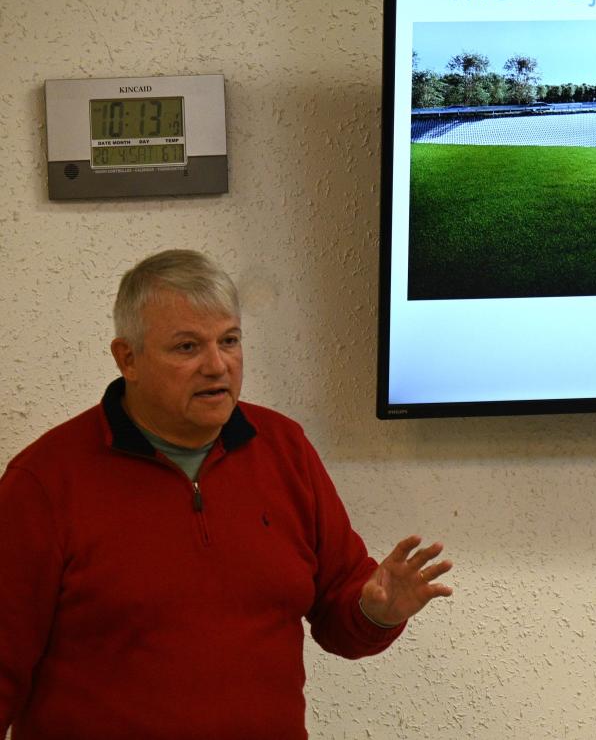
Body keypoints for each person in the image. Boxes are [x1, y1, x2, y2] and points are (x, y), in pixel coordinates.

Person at [0, 249, 452, 739]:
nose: (217, 365)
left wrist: (376, 611)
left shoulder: (284, 449)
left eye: (229, 341)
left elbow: (340, 610)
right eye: (187, 347)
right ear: (128, 358)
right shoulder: (44, 482)